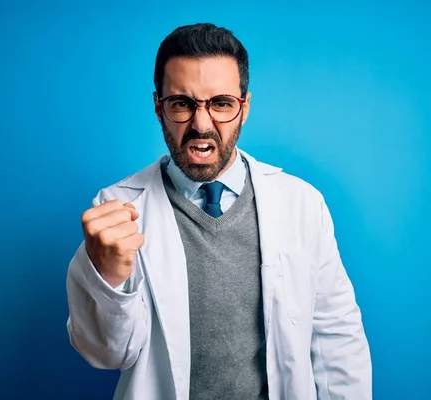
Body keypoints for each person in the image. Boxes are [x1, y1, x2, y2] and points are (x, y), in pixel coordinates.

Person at [65, 22, 372, 400]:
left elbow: (337, 340)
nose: (201, 124)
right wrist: (109, 279)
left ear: (244, 108)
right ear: (158, 108)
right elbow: (108, 355)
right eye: (182, 104)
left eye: (221, 103)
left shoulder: (301, 204)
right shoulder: (115, 212)